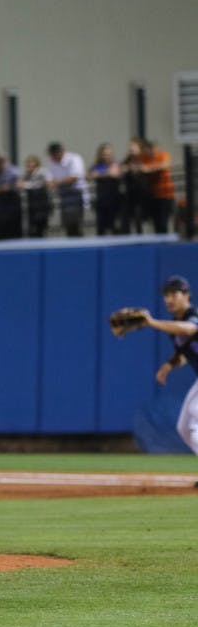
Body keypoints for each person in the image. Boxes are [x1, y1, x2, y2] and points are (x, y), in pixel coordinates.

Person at [136, 275, 198, 454]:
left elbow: (189, 329)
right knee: (184, 428)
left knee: (195, 415)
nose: (168, 299)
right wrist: (168, 366)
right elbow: (186, 352)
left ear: (186, 295)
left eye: (174, 294)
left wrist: (151, 322)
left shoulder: (192, 316)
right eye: (166, 295)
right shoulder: (175, 326)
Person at [46, 141, 88, 237]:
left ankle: (80, 246)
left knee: (76, 224)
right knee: (68, 225)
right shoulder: (52, 163)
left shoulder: (74, 158)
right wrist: (56, 183)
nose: (52, 157)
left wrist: (57, 183)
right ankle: (72, 245)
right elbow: (48, 180)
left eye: (54, 154)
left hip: (77, 194)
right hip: (63, 195)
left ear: (60, 152)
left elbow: (74, 178)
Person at [139, 139, 175, 235]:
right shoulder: (144, 158)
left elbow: (165, 165)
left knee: (164, 222)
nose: (150, 151)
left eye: (152, 148)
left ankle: (165, 244)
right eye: (148, 149)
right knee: (156, 222)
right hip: (153, 195)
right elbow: (142, 168)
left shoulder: (163, 155)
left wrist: (151, 168)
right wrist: (154, 168)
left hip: (165, 194)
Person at [88, 143, 123, 236]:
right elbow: (90, 176)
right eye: (104, 154)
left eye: (108, 154)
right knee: (101, 227)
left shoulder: (116, 164)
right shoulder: (96, 165)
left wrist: (100, 174)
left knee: (114, 226)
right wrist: (107, 173)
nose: (106, 156)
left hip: (114, 200)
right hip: (101, 201)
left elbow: (115, 174)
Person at [20, 155, 52, 238]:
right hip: (32, 206)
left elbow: (39, 184)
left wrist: (25, 185)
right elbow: (20, 183)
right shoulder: (26, 175)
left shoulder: (42, 172)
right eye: (28, 165)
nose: (29, 167)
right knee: (32, 229)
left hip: (42, 205)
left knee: (41, 228)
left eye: (32, 165)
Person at [121, 138, 147, 234]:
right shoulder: (127, 160)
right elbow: (121, 169)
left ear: (139, 149)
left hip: (141, 194)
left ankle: (140, 236)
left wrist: (139, 169)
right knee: (126, 218)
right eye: (130, 148)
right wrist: (127, 169)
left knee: (138, 217)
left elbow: (147, 168)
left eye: (133, 147)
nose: (131, 149)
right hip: (129, 194)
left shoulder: (143, 159)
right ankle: (127, 237)